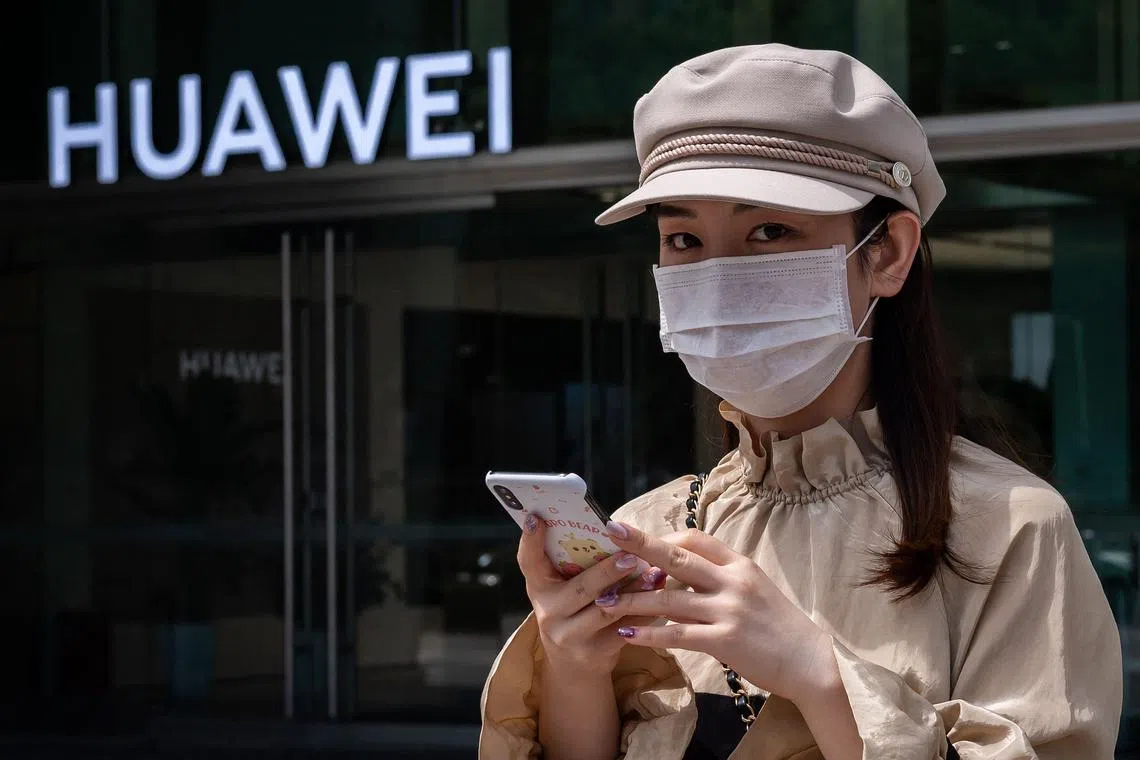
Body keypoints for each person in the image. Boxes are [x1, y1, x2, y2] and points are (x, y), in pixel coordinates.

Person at [479, 44, 1123, 760]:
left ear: (887, 254)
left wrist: (816, 675)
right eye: (684, 238)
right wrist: (575, 664)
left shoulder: (1011, 530)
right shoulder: (647, 530)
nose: (718, 276)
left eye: (769, 231)